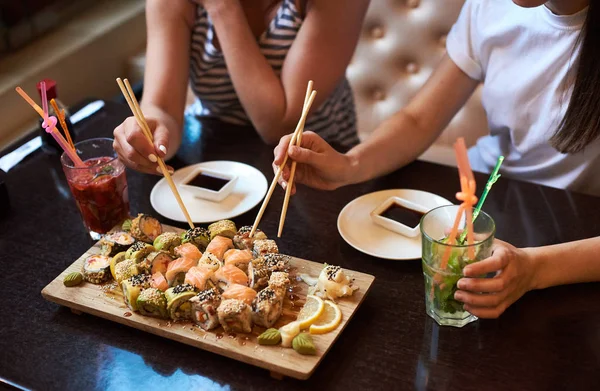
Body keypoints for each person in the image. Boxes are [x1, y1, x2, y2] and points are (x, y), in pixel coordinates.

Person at [273, 0, 600, 318]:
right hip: (480, 204)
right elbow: (419, 120)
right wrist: (348, 166)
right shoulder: (489, 7)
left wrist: (535, 269)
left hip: (572, 242)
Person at [113, 0, 369, 175]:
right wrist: (152, 136)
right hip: (215, 153)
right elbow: (161, 107)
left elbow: (279, 125)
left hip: (314, 164)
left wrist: (222, 6)